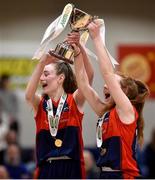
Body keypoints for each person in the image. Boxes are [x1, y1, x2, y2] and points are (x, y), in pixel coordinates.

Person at [67, 20, 150, 179]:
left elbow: (107, 74)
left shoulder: (126, 109)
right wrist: (78, 52)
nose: (105, 86)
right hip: (105, 174)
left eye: (111, 85)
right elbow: (83, 85)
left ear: (123, 90)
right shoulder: (105, 112)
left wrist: (97, 38)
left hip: (123, 175)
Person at [25, 41, 94, 178]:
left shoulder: (74, 100)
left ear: (60, 78)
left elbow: (89, 77)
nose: (41, 78)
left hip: (72, 167)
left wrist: (80, 51)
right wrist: (41, 63)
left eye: (46, 74)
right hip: (46, 168)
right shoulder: (40, 104)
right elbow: (28, 96)